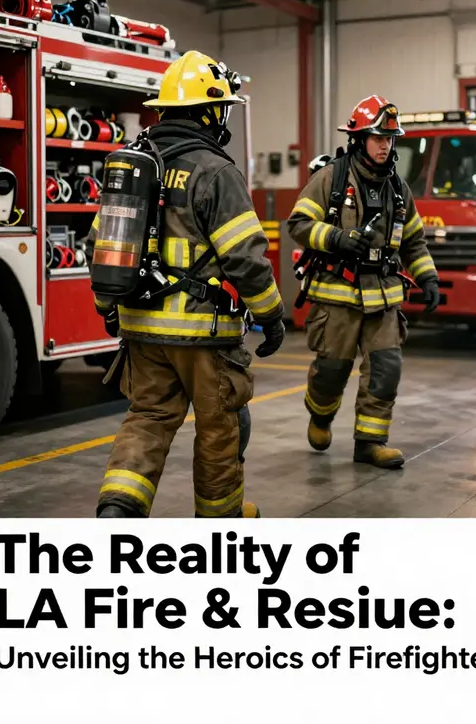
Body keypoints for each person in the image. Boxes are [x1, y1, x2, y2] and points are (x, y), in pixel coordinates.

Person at [86, 50, 286, 519]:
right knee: (220, 427)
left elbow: (103, 244)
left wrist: (108, 306)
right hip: (203, 334)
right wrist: (273, 315)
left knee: (148, 418)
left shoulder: (135, 164)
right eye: (222, 109)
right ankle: (219, 525)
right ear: (208, 110)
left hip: (140, 326)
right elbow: (246, 258)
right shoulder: (216, 171)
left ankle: (119, 507)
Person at [287, 95, 440, 469]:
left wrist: (427, 277)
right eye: (377, 137)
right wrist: (335, 238)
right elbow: (298, 225)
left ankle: (370, 443)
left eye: (389, 138)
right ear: (358, 138)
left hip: (384, 298)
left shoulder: (399, 190)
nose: (385, 144)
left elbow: (414, 242)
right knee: (331, 372)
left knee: (386, 371)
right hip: (337, 296)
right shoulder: (331, 179)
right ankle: (321, 414)